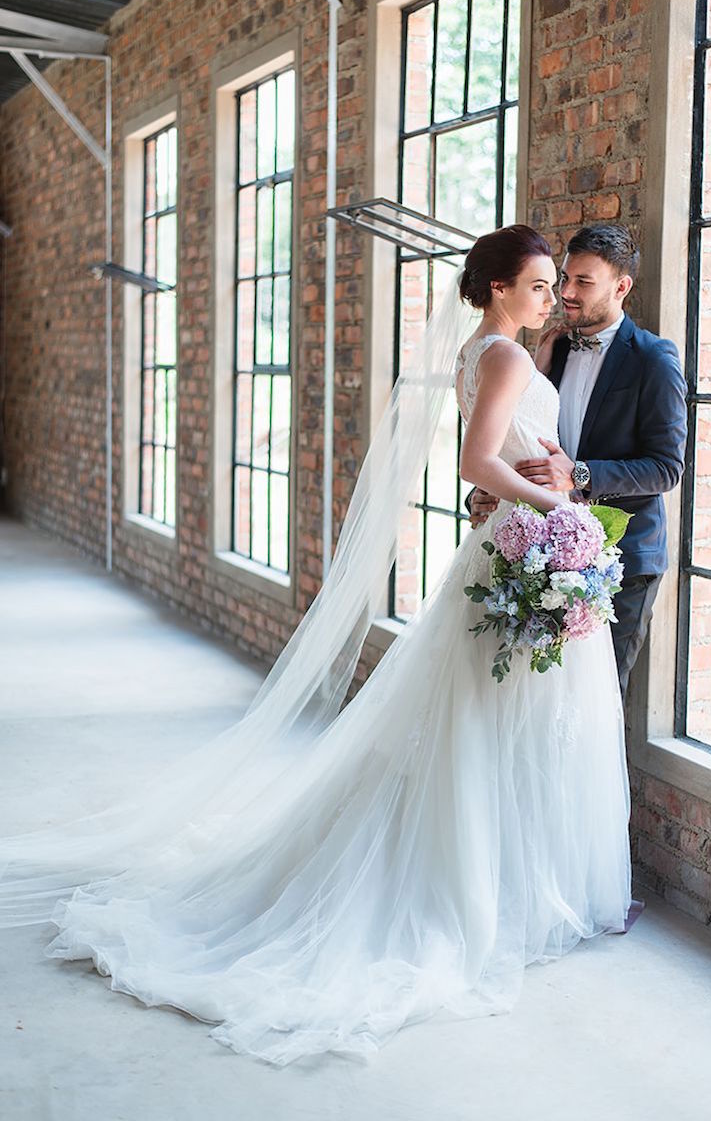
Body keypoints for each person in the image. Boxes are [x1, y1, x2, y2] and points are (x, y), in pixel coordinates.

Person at [0, 226, 633, 1066]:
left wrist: (550, 476)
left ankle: (499, 879)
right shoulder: (511, 358)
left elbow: (504, 455)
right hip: (526, 540)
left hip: (510, 542)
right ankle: (489, 892)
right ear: (497, 290)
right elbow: (480, 463)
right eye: (540, 284)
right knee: (495, 723)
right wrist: (558, 509)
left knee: (484, 721)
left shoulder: (484, 353)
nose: (552, 297)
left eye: (558, 284)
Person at [467, 225, 687, 701]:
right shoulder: (549, 349)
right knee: (533, 700)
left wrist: (578, 474)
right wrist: (487, 490)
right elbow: (507, 437)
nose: (565, 292)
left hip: (620, 558)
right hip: (535, 552)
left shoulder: (653, 359)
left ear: (621, 286)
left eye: (583, 282)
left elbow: (667, 468)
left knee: (596, 708)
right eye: (563, 278)